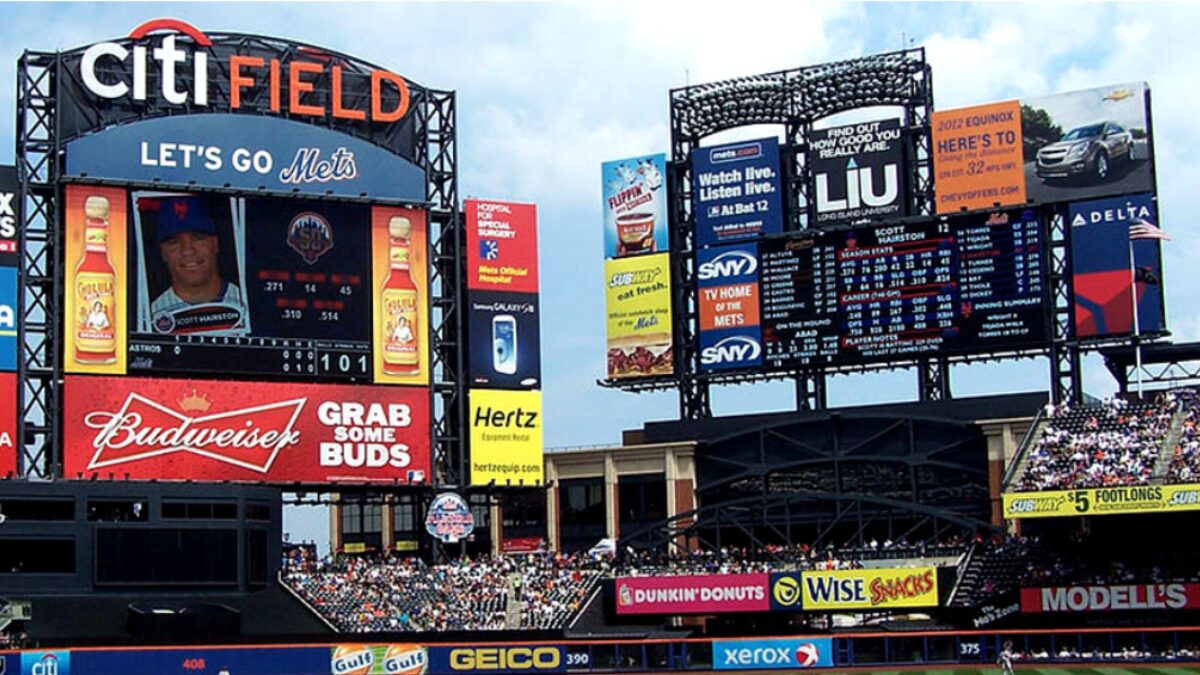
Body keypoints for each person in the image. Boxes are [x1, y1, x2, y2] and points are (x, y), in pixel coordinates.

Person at [149, 195, 245, 334]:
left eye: (198, 238)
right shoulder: (150, 316)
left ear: (215, 244)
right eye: (174, 242)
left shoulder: (247, 302)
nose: (188, 250)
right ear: (163, 253)